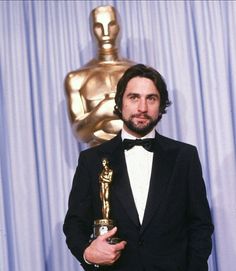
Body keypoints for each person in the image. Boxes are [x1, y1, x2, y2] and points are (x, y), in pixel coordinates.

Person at [63, 64, 214, 271]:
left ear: (161, 106)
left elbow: (200, 225)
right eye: (134, 97)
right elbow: (74, 225)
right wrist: (88, 253)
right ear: (120, 102)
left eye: (151, 98)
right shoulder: (92, 160)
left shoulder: (185, 157)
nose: (142, 108)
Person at [64, 5, 135, 147]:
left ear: (120, 28)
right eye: (98, 26)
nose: (105, 32)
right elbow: (80, 133)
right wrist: (103, 110)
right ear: (91, 31)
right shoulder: (76, 78)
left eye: (112, 24)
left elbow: (151, 120)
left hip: (139, 156)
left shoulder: (140, 73)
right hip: (100, 160)